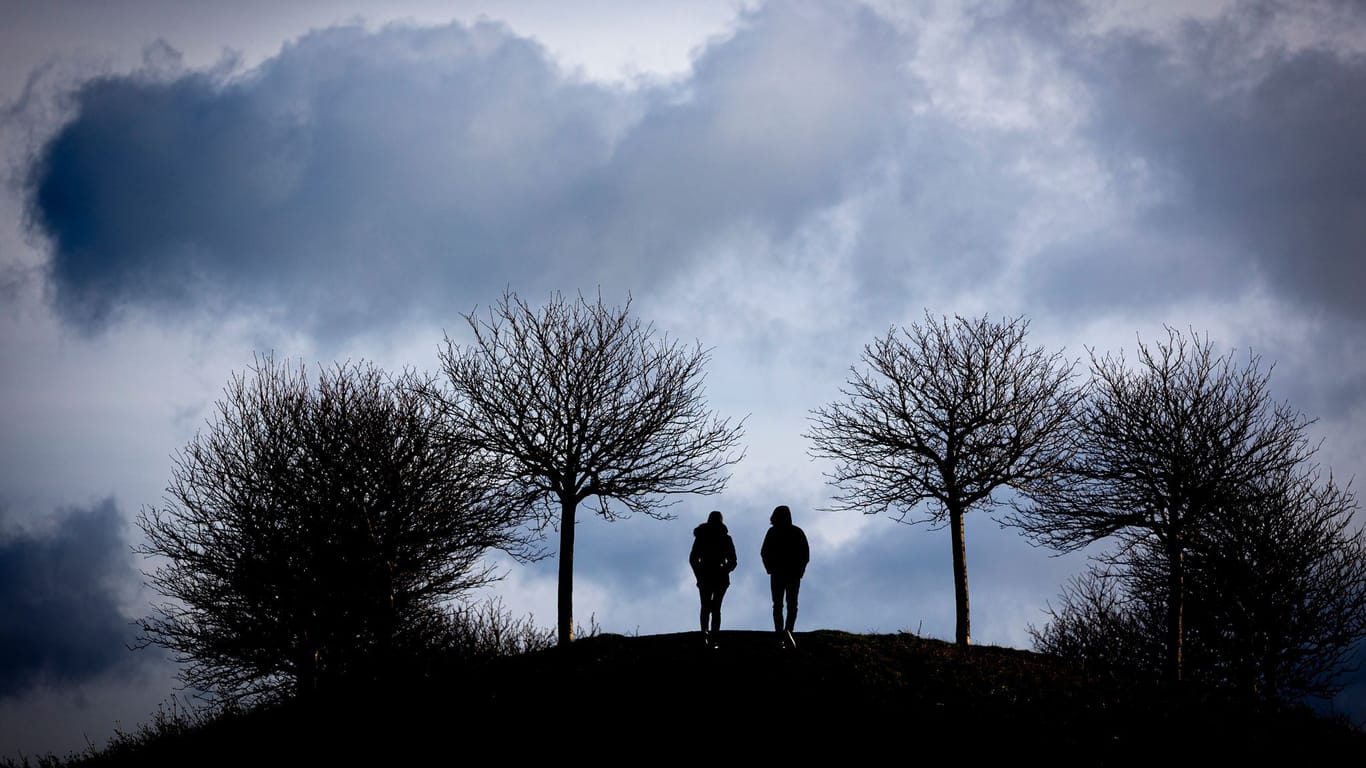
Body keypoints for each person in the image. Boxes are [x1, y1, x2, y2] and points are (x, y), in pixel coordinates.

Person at [761, 504, 809, 649]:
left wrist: (770, 568)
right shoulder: (796, 532)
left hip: (780, 573)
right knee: (790, 604)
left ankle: (781, 632)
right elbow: (805, 554)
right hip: (790, 573)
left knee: (779, 605)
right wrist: (799, 570)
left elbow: (764, 552)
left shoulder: (773, 532)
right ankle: (788, 631)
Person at [689, 510, 738, 648]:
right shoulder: (725, 538)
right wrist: (725, 569)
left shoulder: (702, 537)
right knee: (715, 607)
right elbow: (733, 561)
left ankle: (705, 634)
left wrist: (699, 573)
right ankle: (712, 636)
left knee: (706, 606)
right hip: (717, 575)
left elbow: (693, 559)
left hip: (707, 574)